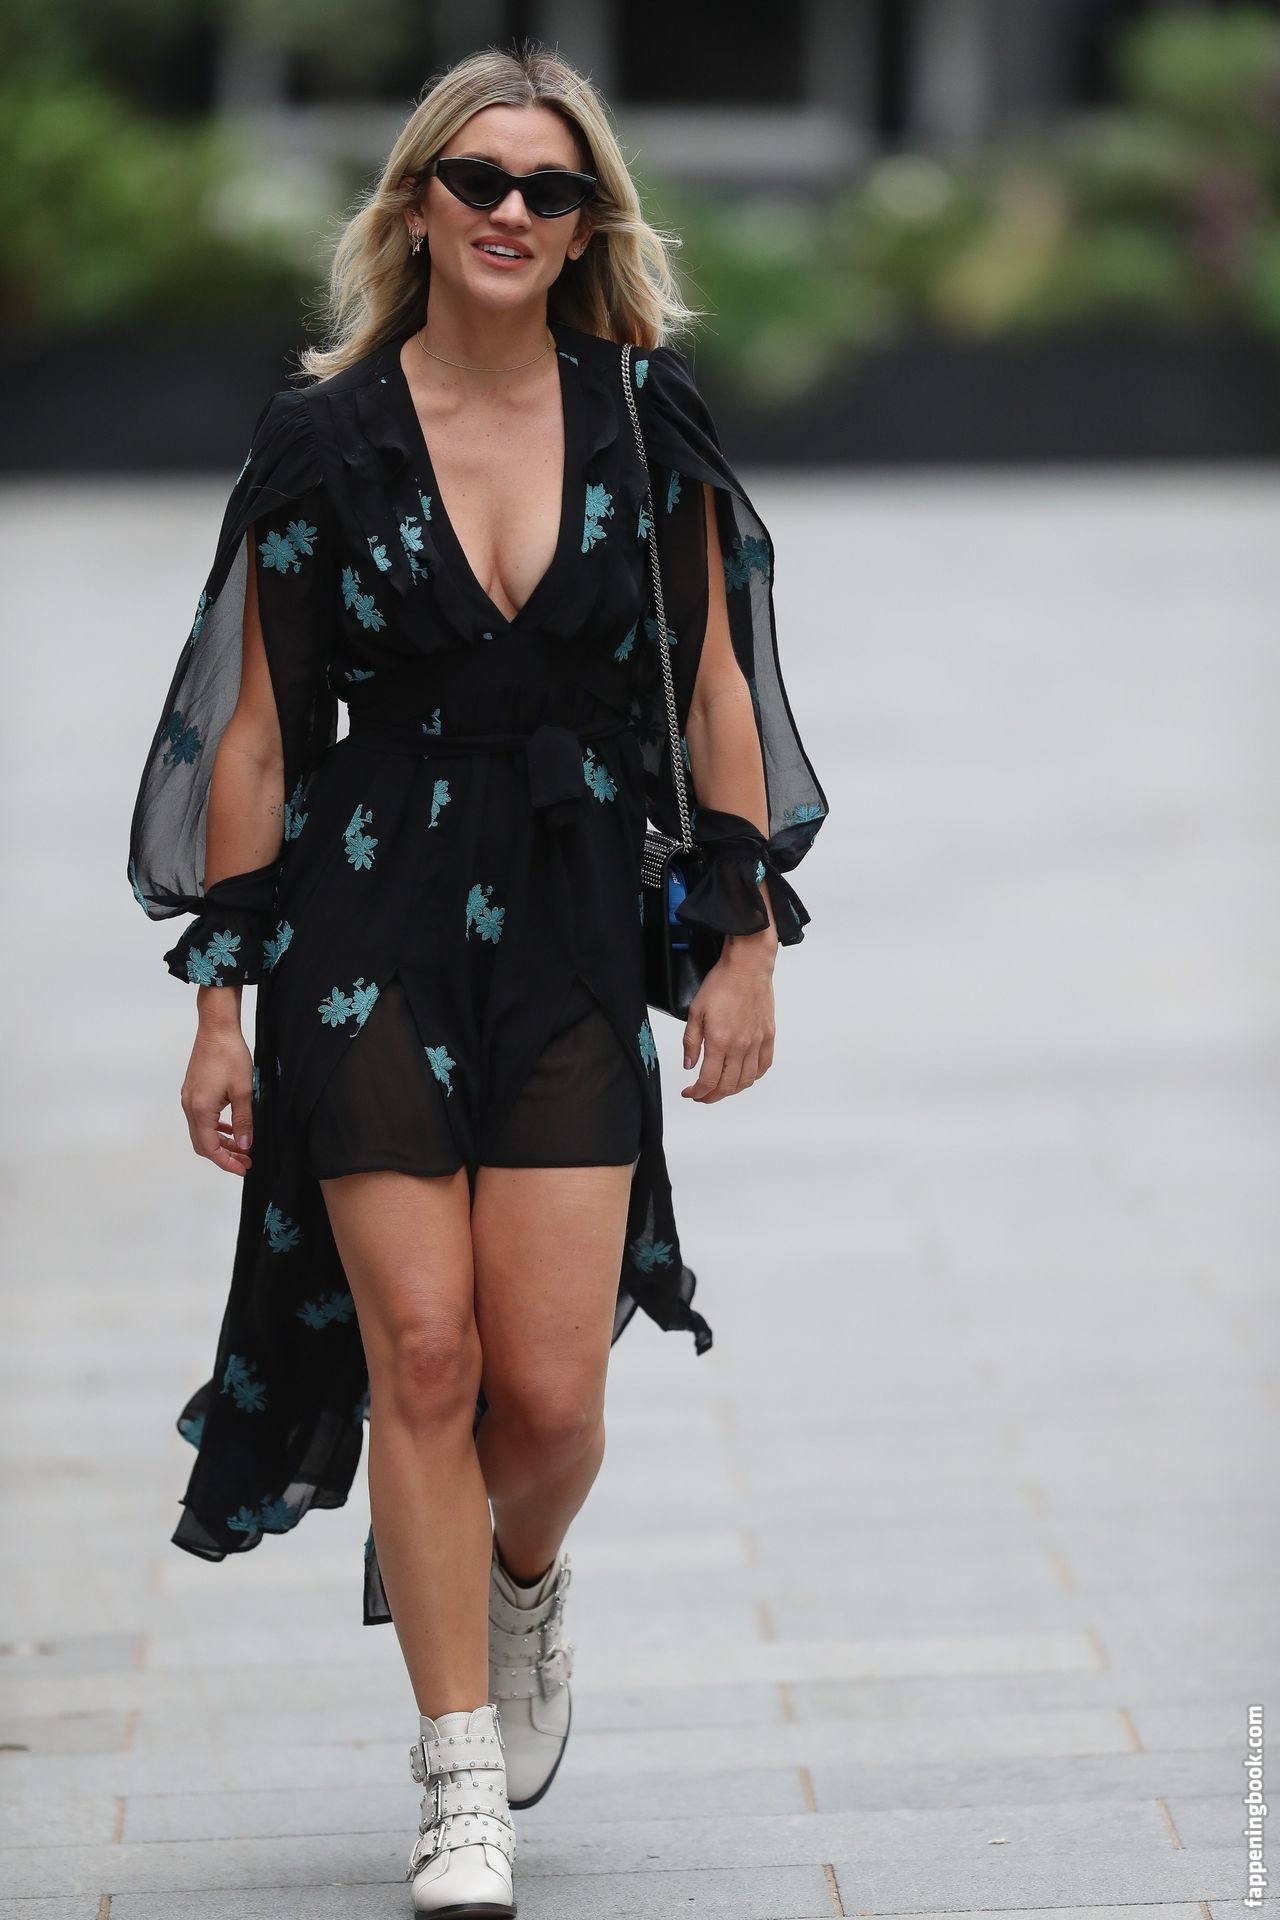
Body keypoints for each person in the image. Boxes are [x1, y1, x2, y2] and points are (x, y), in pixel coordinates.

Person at [126, 41, 828, 1917]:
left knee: (551, 1397)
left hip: (574, 920)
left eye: (551, 187)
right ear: (418, 204)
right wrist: (219, 1002)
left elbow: (715, 687)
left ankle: (520, 1583)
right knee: (420, 1354)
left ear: (589, 224)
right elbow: (256, 732)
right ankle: (457, 1782)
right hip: (367, 923)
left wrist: (746, 934)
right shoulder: (323, 438)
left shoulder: (644, 418)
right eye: (480, 179)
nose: (513, 210)